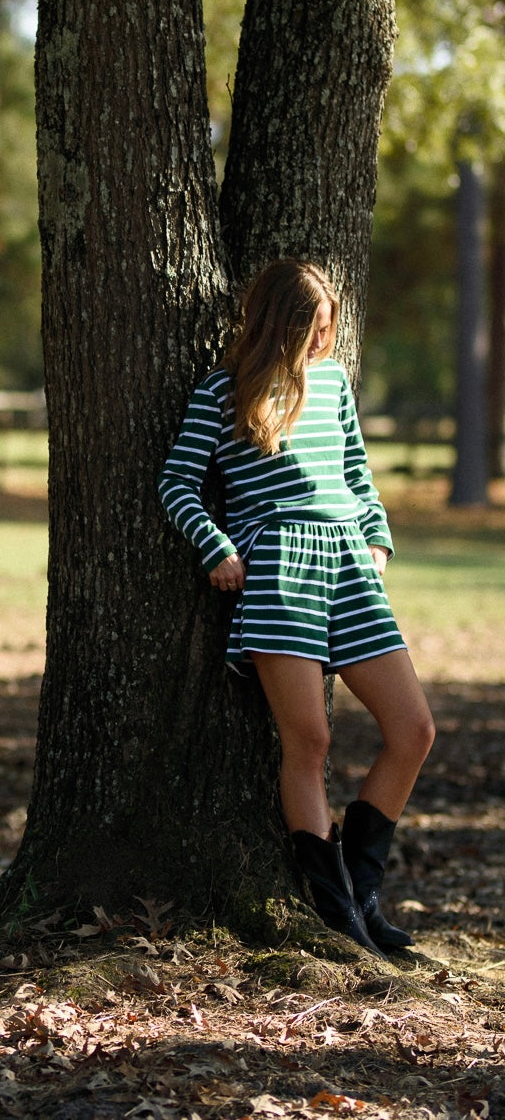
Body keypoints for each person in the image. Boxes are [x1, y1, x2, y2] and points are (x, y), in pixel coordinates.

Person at [159, 258, 434, 956]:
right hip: (281, 568)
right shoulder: (223, 392)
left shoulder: (335, 383)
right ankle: (336, 911)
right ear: (281, 325)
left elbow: (358, 476)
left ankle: (366, 894)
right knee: (308, 740)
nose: (324, 340)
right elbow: (177, 482)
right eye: (314, 327)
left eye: (329, 327)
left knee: (414, 728)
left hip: (350, 565)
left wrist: (377, 539)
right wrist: (216, 546)